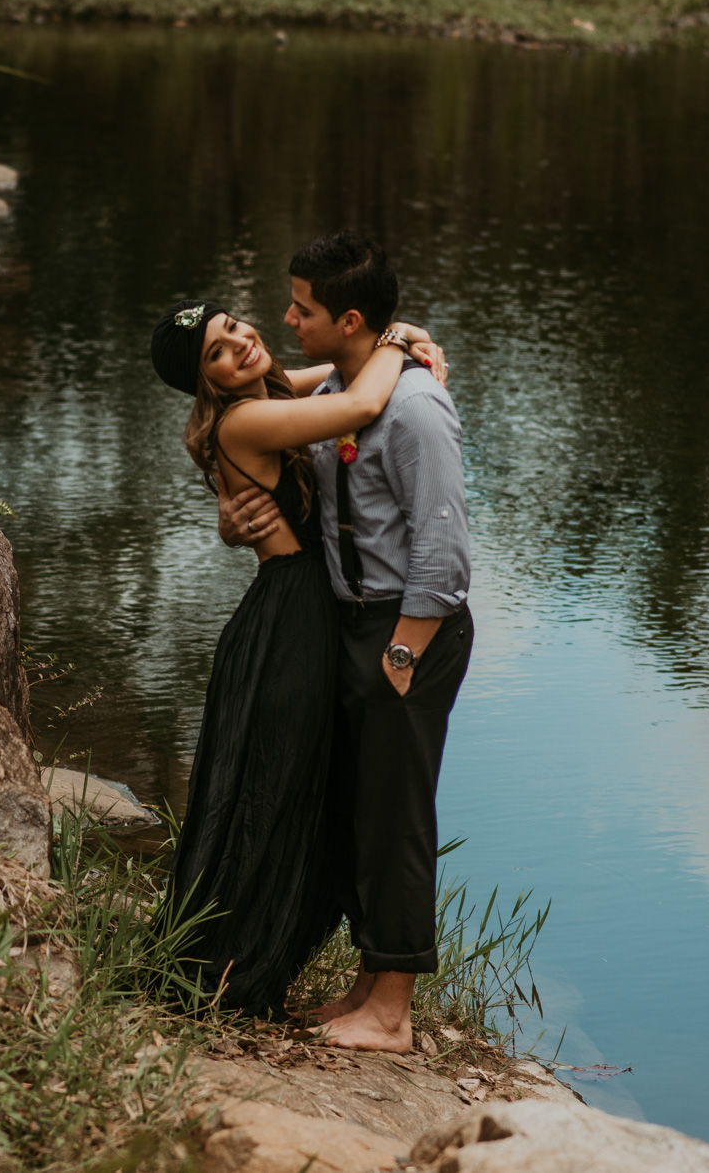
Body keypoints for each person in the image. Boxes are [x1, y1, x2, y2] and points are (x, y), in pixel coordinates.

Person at [150, 296, 442, 1018]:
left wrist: (397, 336)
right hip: (293, 623)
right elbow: (361, 400)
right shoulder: (245, 419)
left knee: (300, 791)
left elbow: (335, 373)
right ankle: (229, 971)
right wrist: (397, 343)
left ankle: (257, 959)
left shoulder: (269, 393)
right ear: (207, 382)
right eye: (218, 352)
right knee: (276, 794)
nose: (241, 344)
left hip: (303, 612)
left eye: (236, 327)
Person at [219, 232, 473, 1052]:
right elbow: (249, 417)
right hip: (353, 622)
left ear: (348, 317)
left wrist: (401, 655)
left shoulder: (414, 407)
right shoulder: (339, 382)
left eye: (303, 308)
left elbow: (444, 551)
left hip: (407, 627)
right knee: (362, 806)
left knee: (396, 812)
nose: (287, 318)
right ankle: (369, 984)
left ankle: (393, 1015)